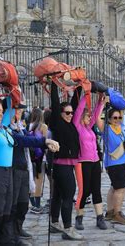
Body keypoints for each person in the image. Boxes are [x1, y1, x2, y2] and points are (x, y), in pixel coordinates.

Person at [9, 105, 59, 244]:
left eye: (20, 110)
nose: (19, 112)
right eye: (16, 109)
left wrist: (43, 145)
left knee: (23, 204)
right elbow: (24, 140)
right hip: (14, 168)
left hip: (26, 166)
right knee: (14, 205)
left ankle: (18, 229)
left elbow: (28, 138)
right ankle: (12, 234)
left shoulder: (20, 126)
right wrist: (45, 141)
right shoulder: (8, 128)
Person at [48, 82, 83, 240]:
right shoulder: (57, 123)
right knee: (68, 196)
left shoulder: (70, 124)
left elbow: (74, 103)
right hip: (62, 166)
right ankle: (68, 228)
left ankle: (55, 222)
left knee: (58, 195)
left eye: (71, 112)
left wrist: (80, 87)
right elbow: (55, 104)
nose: (70, 115)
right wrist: (54, 84)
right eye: (67, 113)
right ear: (60, 113)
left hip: (65, 166)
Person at [73, 92, 107, 230]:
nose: (90, 118)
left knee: (96, 190)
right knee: (84, 190)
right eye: (87, 116)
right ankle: (79, 218)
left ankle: (100, 218)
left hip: (95, 162)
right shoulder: (77, 126)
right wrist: (85, 94)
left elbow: (96, 115)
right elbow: (79, 110)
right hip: (83, 162)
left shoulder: (89, 128)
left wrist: (101, 101)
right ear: (82, 117)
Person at [96, 106, 125, 225]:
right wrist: (101, 103)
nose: (117, 119)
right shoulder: (106, 129)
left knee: (114, 187)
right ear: (109, 119)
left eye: (119, 117)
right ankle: (118, 213)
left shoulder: (121, 127)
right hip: (115, 164)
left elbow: (121, 105)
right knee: (120, 189)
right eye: (114, 118)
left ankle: (110, 212)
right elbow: (97, 117)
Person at [28, 108, 48, 214]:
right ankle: (37, 205)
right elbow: (45, 142)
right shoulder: (43, 126)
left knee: (31, 180)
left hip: (30, 157)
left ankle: (33, 204)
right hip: (40, 158)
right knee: (39, 181)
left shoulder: (28, 126)